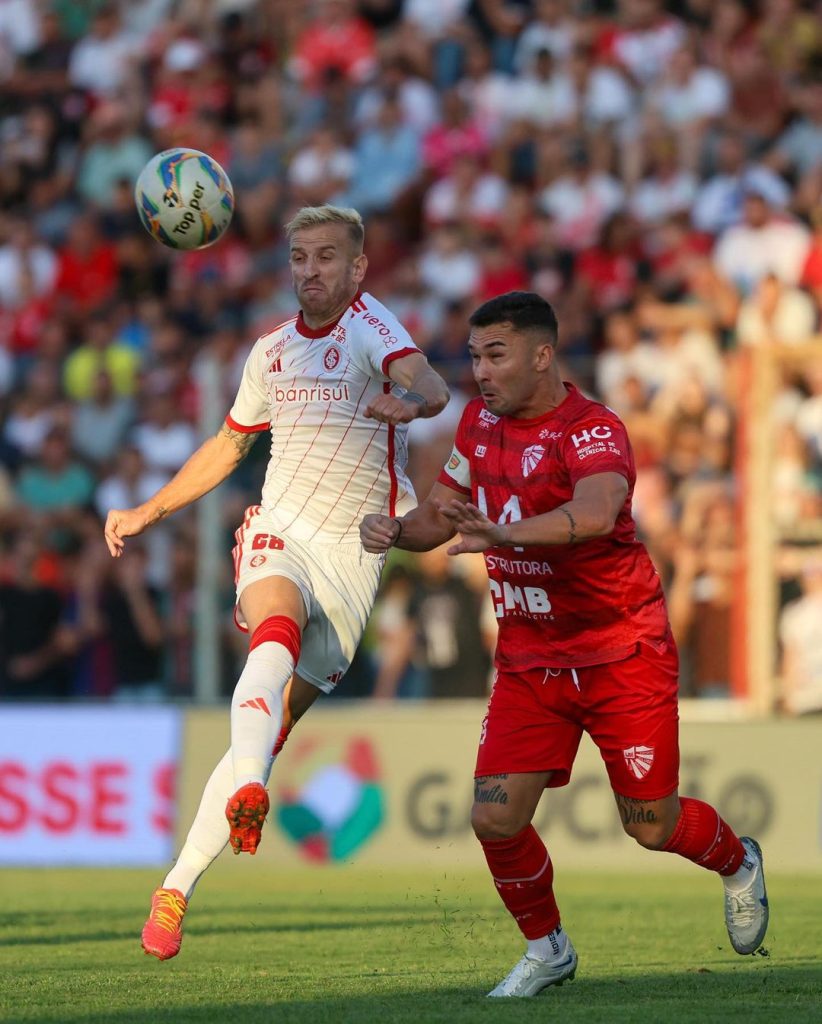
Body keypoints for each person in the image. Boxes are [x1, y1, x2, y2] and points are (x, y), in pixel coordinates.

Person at [360, 291, 768, 998]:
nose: (480, 372)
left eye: (496, 354)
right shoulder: (479, 426)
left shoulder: (592, 430)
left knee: (649, 825)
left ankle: (738, 862)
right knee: (493, 815)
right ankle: (548, 949)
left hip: (621, 653)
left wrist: (504, 533)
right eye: (475, 355)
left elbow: (595, 511)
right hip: (530, 659)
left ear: (542, 355)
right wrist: (397, 531)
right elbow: (440, 516)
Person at [103, 205, 449, 960]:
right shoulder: (271, 352)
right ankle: (250, 798)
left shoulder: (370, 326)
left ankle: (177, 883)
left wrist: (415, 401)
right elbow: (230, 446)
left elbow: (430, 381)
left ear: (357, 269)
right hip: (282, 529)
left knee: (258, 737)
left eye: (327, 257)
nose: (310, 270)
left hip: (356, 554)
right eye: (299, 257)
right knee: (273, 630)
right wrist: (150, 508)